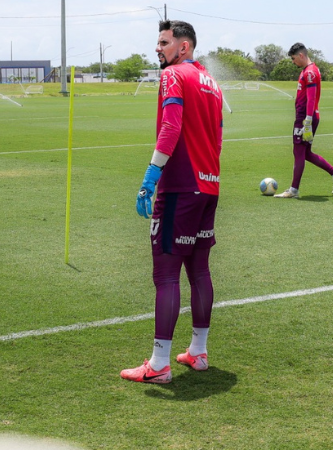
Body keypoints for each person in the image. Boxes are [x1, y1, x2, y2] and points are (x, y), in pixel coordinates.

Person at [120, 20, 223, 384]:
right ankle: (198, 352)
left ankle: (159, 363)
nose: (158, 49)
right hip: (209, 186)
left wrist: (151, 177)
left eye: (163, 43)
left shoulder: (173, 76)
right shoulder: (212, 82)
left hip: (180, 186)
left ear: (184, 46)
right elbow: (218, 136)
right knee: (199, 271)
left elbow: (171, 127)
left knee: (165, 275)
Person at [275, 42, 333, 198]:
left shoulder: (310, 72)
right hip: (306, 117)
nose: (293, 62)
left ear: (301, 55)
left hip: (305, 118)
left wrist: (307, 122)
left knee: (298, 151)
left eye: (294, 59)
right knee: (305, 153)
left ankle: (293, 190)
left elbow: (311, 98)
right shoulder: (308, 70)